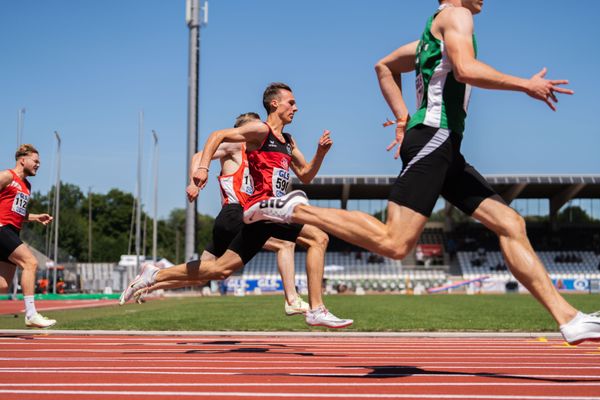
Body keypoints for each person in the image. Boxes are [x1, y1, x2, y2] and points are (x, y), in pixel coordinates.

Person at [246, 0, 600, 345]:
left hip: (444, 145)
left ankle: (569, 320)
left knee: (511, 223)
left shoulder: (429, 37)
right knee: (395, 243)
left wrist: (403, 118)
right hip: (435, 138)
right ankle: (294, 210)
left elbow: (384, 66)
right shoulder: (457, 14)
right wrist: (525, 84)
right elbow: (465, 69)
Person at [121, 83, 352, 328]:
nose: (296, 107)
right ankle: (311, 306)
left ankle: (154, 275)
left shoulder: (288, 141)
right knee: (317, 237)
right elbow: (216, 136)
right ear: (275, 104)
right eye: (291, 102)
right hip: (261, 210)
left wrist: (321, 153)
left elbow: (305, 175)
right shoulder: (261, 130)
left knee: (219, 270)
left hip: (266, 213)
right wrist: (201, 170)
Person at [124, 112, 309, 316]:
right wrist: (196, 181)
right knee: (284, 243)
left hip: (239, 216)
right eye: (255, 128)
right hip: (235, 213)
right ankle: (292, 298)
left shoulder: (258, 154)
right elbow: (198, 156)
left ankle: (150, 282)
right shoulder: (235, 146)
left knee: (206, 272)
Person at [0, 144, 56, 328]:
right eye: (36, 161)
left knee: (3, 285)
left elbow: (17, 212)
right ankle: (31, 314)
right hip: (2, 229)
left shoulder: (27, 186)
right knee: (30, 263)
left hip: (12, 231)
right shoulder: (7, 176)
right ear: (22, 160)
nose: (38, 165)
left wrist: (35, 217)